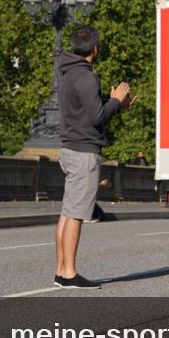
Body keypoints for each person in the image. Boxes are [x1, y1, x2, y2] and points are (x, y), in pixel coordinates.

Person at [56, 25, 134, 289]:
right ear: (95, 48)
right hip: (83, 151)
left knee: (67, 213)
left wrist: (111, 102)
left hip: (69, 148)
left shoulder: (67, 73)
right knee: (77, 214)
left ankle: (60, 270)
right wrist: (116, 101)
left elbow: (86, 109)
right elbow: (97, 116)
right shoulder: (87, 77)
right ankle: (69, 274)